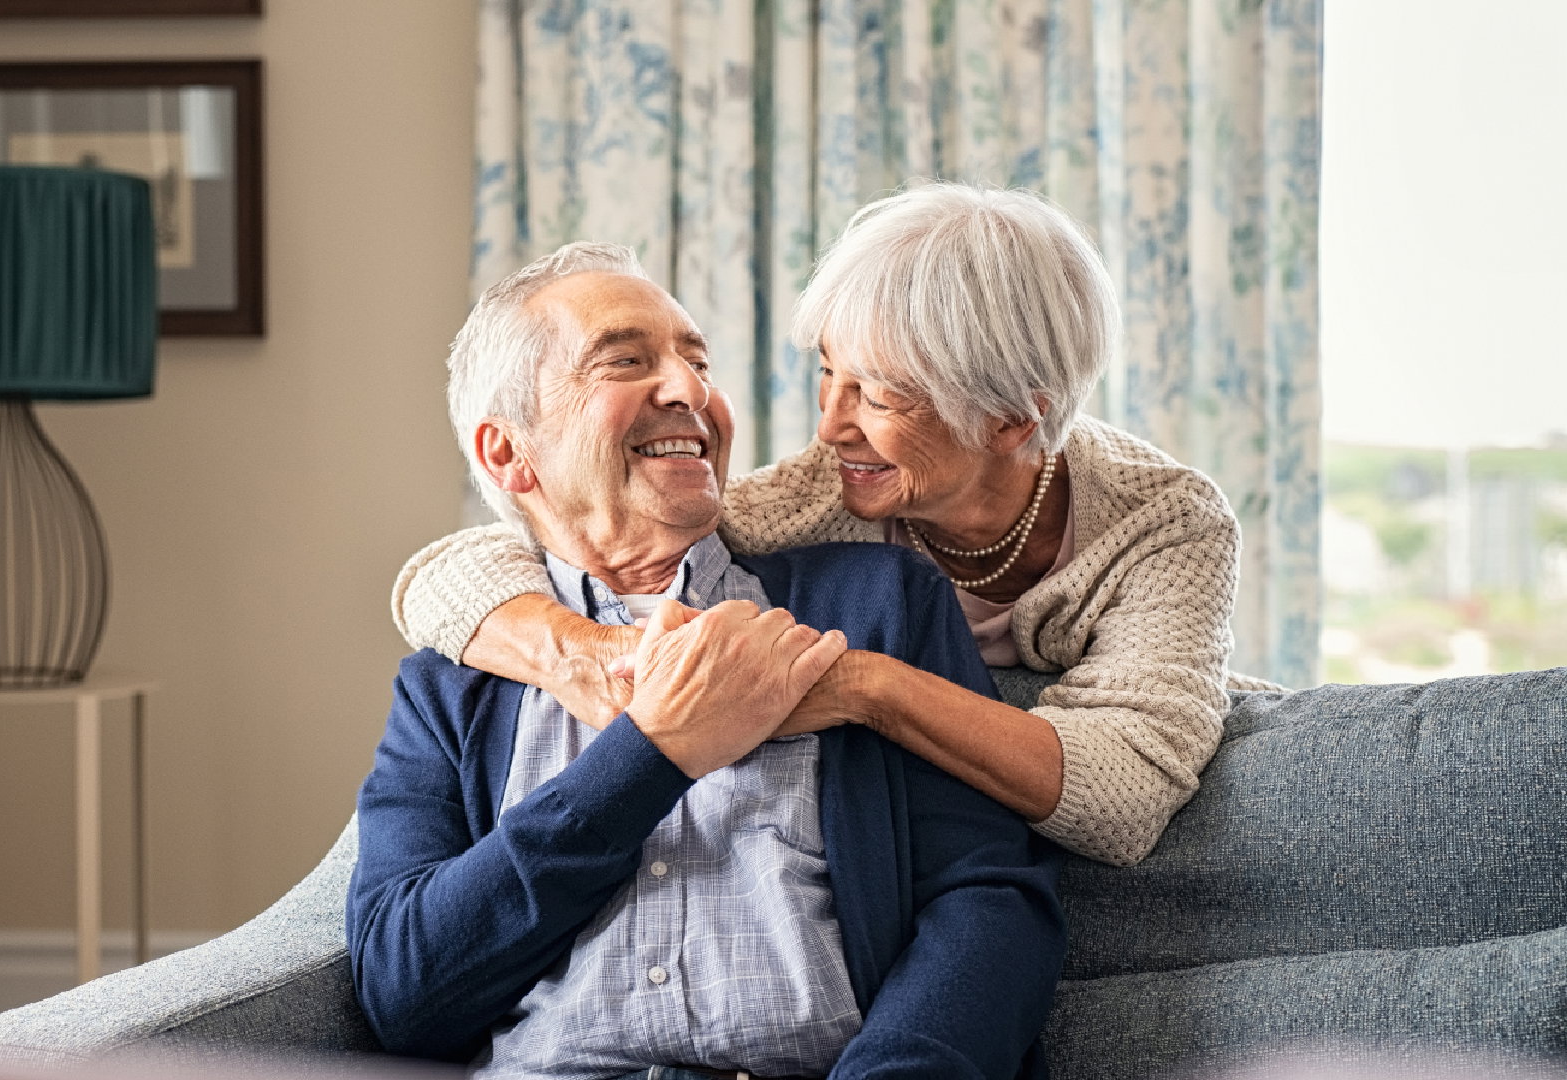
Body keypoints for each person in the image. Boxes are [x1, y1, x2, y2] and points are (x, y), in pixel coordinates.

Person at [348, 243, 1064, 1080]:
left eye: (699, 362)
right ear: (509, 453)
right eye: (626, 361)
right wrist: (650, 754)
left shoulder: (874, 606)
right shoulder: (450, 686)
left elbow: (991, 903)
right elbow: (405, 994)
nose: (692, 391)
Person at [393, 182, 1264, 868]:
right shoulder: (823, 495)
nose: (831, 426)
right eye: (827, 375)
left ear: (1011, 420)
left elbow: (1122, 799)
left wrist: (862, 688)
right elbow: (460, 568)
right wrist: (585, 655)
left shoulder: (1165, 526)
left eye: (878, 395)